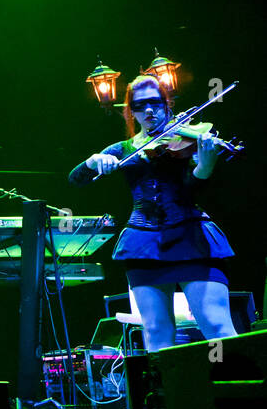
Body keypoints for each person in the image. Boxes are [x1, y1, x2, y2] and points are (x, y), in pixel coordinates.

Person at [69, 74, 236, 352]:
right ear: (130, 111)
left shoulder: (185, 139)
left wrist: (205, 167)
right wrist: (93, 160)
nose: (149, 110)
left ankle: (240, 391)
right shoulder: (123, 150)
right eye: (140, 104)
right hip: (143, 245)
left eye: (156, 103)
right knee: (156, 332)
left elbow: (193, 187)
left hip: (191, 237)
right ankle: (166, 395)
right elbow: (76, 179)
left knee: (216, 325)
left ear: (168, 104)